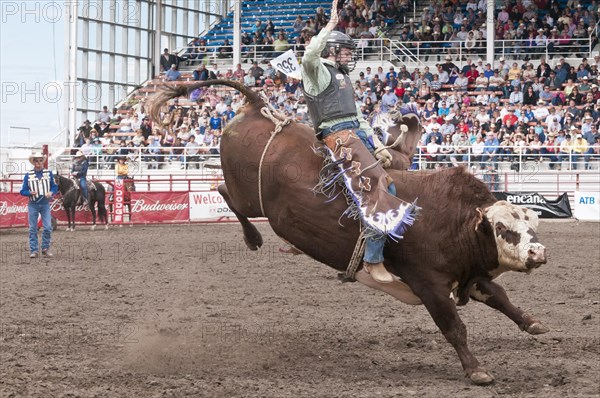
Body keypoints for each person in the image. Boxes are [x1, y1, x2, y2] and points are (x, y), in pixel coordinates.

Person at [301, 0, 417, 284]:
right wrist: (329, 26)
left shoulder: (342, 76)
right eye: (345, 51)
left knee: (397, 168)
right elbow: (307, 56)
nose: (349, 56)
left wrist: (377, 145)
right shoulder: (317, 71)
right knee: (380, 186)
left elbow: (358, 117)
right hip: (338, 135)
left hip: (354, 131)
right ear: (331, 50)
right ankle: (373, 259)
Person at [20, 152, 59, 258]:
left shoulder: (48, 173)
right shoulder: (28, 175)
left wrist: (51, 192)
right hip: (33, 204)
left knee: (48, 227)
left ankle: (45, 248)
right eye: (36, 160)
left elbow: (55, 187)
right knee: (33, 228)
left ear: (43, 161)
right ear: (34, 162)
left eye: (40, 160)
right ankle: (34, 250)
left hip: (45, 203)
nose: (39, 162)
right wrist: (29, 193)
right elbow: (22, 191)